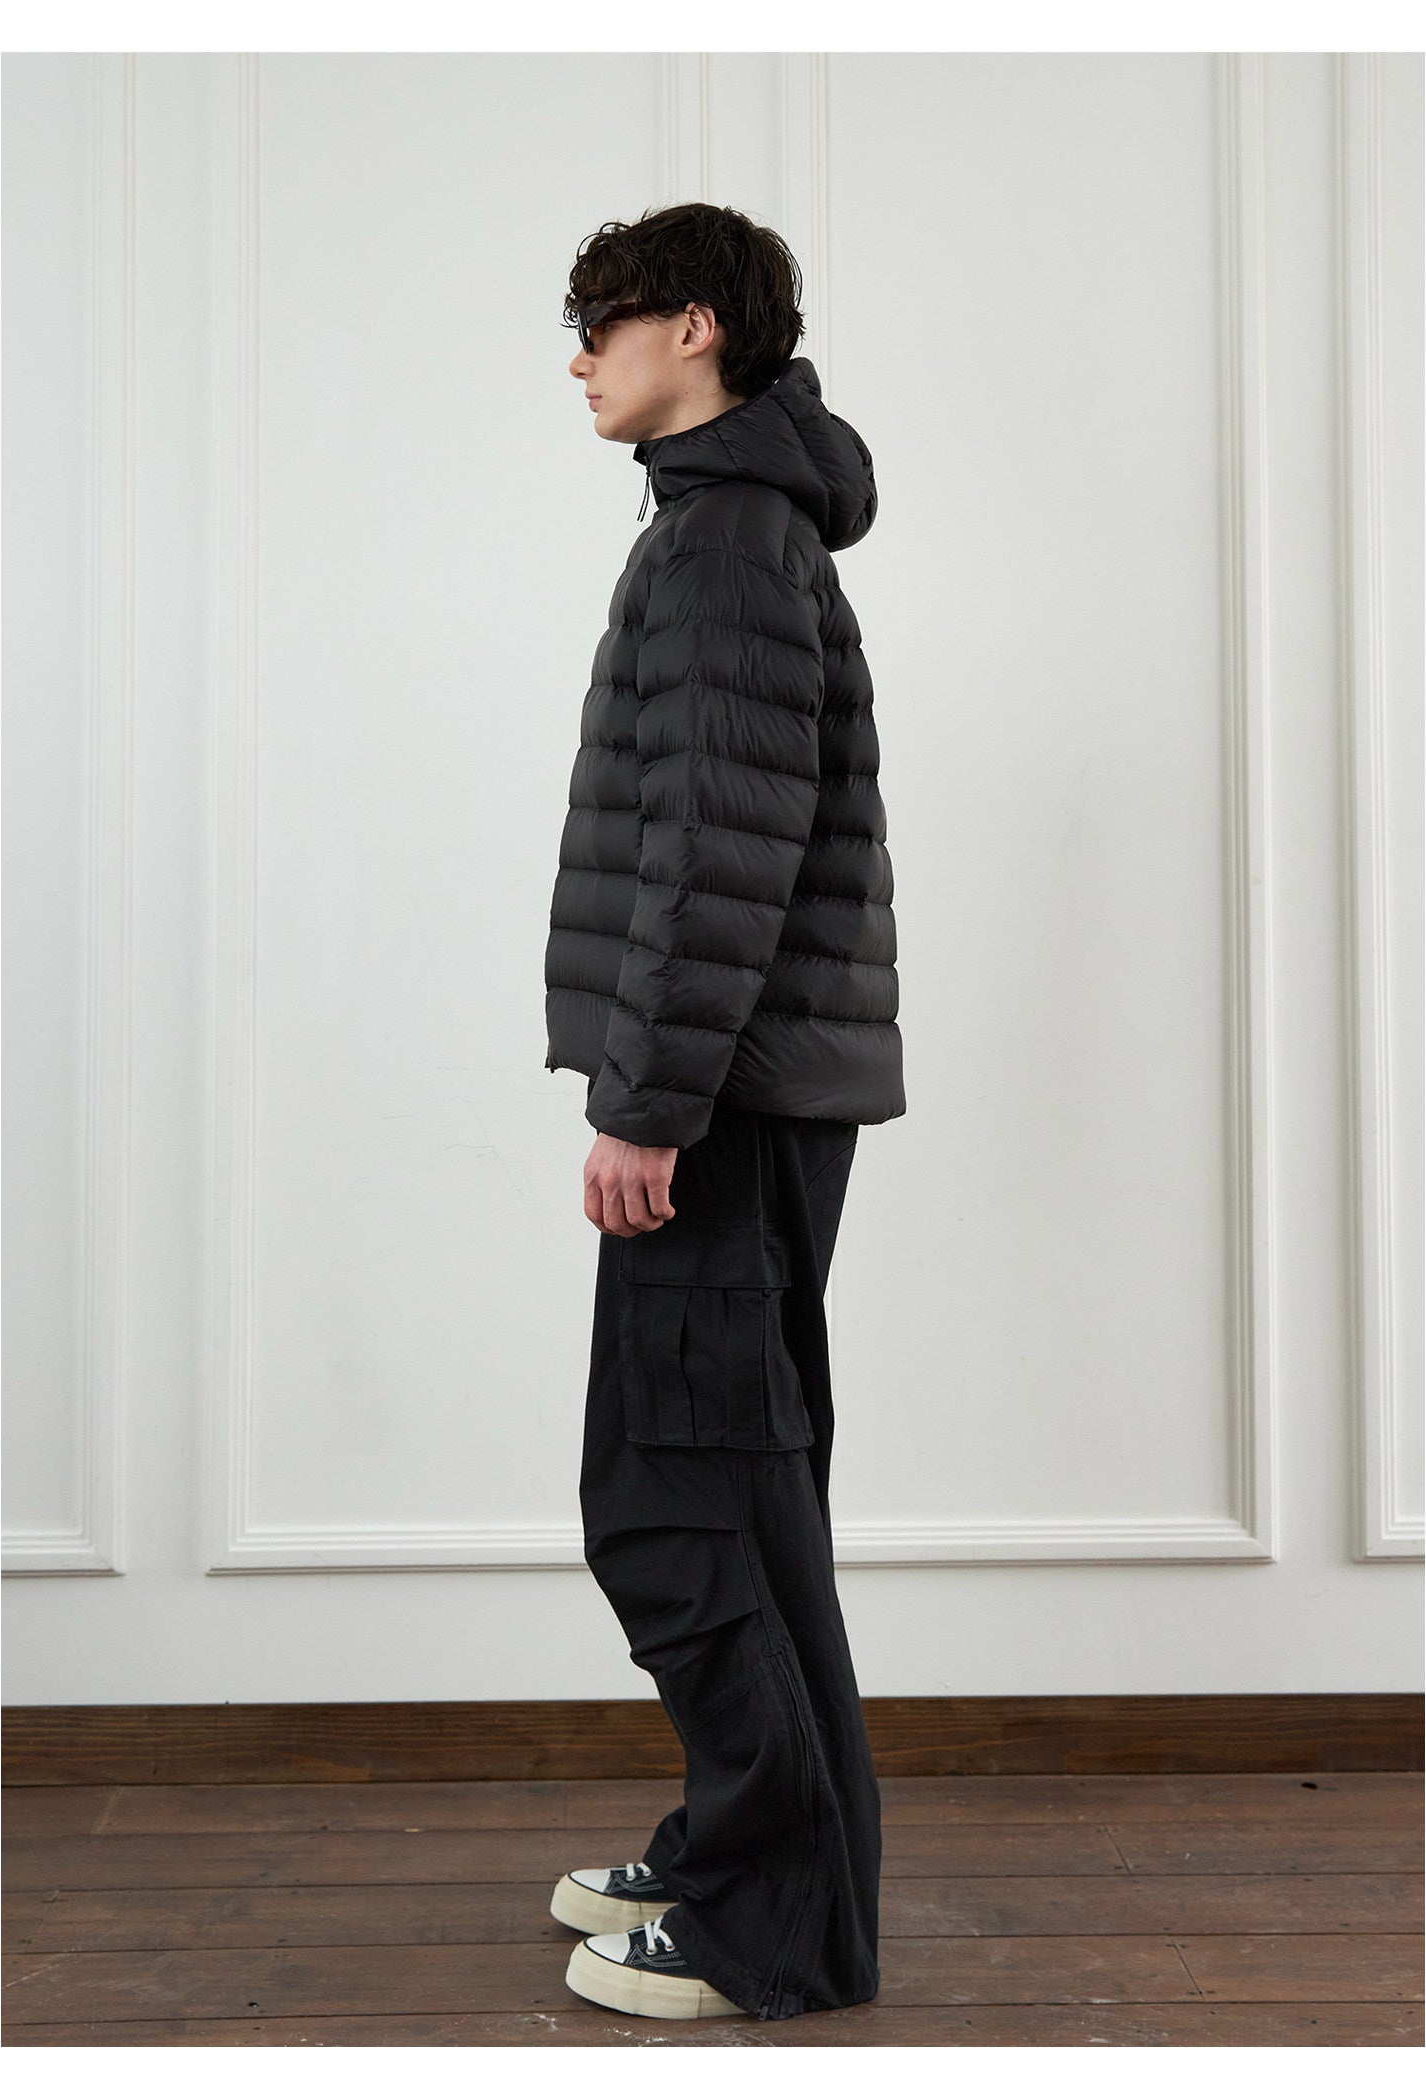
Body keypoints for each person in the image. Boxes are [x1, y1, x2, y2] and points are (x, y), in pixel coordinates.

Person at [542, 202, 905, 2023]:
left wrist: (648, 1105)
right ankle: (749, 1854)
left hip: (725, 1104)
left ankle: (774, 1919)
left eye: (603, 325)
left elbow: (718, 857)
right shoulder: (728, 524)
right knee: (726, 1492)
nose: (580, 361)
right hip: (745, 1095)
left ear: (695, 327)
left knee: (683, 1496)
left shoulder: (727, 541)